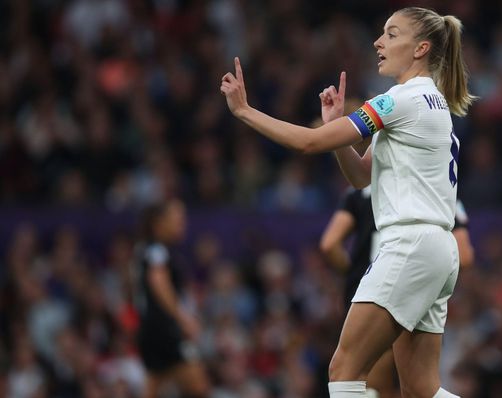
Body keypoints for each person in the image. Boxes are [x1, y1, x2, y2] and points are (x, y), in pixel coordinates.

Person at [220, 6, 474, 397]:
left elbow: (306, 143)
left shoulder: (398, 101)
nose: (378, 42)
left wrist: (244, 111)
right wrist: (333, 125)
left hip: (409, 245)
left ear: (421, 48)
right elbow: (361, 177)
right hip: (435, 249)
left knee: (344, 371)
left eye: (391, 34)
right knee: (422, 389)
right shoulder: (433, 106)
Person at [320, 187, 474, 398]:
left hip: (379, 294)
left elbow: (330, 244)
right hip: (421, 284)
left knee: (357, 380)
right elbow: (464, 254)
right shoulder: (439, 192)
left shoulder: (360, 194)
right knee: (419, 390)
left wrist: (356, 275)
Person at [134, 199, 210, 398]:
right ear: (159, 223)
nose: (183, 224)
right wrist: (183, 318)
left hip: (151, 331)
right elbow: (158, 282)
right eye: (178, 219)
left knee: (154, 387)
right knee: (199, 386)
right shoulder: (156, 250)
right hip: (164, 331)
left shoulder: (152, 249)